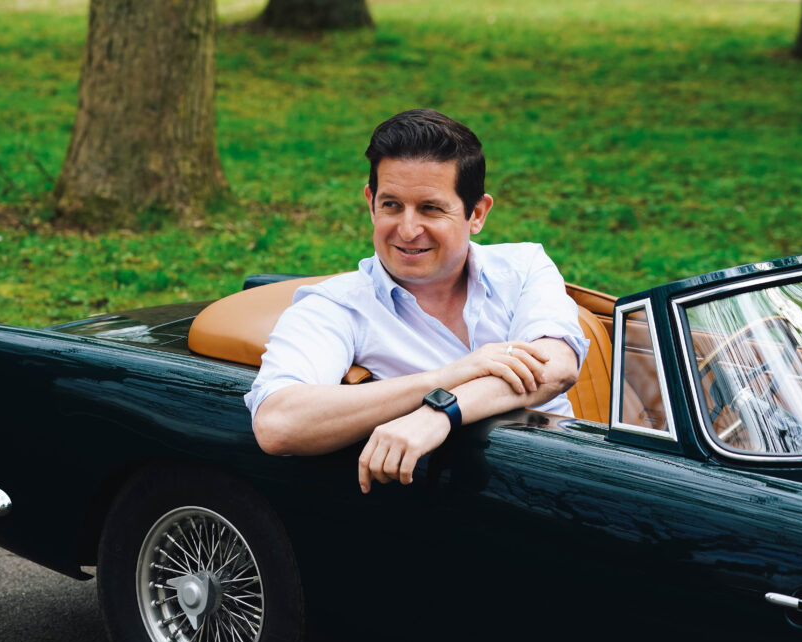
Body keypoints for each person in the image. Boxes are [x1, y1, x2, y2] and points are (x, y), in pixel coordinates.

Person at [245, 109, 588, 493]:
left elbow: (555, 367)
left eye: (430, 208)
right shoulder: (336, 306)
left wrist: (441, 412)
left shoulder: (523, 266)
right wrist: (442, 379)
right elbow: (277, 424)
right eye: (391, 205)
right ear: (370, 202)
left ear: (476, 213)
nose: (408, 230)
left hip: (567, 482)